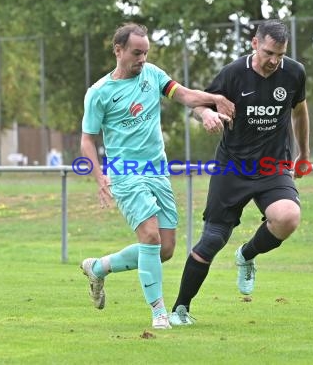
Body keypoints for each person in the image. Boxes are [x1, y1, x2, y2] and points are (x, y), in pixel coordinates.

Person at [80, 23, 234, 330]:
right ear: (118, 50)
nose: (142, 59)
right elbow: (87, 140)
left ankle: (98, 267)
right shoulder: (99, 93)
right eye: (136, 53)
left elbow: (186, 96)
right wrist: (100, 179)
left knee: (164, 249)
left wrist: (213, 100)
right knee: (149, 235)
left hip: (157, 171)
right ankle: (159, 312)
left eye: (146, 53)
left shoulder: (153, 75)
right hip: (125, 173)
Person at [169, 19, 309, 326]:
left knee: (288, 216)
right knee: (212, 241)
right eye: (269, 52)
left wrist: (304, 153)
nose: (274, 61)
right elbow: (200, 105)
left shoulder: (294, 73)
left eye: (280, 54)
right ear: (255, 43)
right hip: (232, 166)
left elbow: (299, 111)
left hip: (274, 166)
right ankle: (180, 308)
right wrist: (207, 115)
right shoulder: (233, 74)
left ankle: (247, 254)